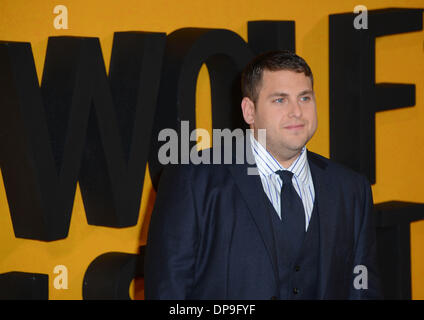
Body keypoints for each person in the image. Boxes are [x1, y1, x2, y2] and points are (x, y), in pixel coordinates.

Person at [144, 51, 382, 299]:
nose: (297, 112)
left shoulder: (350, 188)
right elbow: (168, 292)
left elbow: (363, 291)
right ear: (249, 111)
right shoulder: (193, 179)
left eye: (305, 98)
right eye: (280, 100)